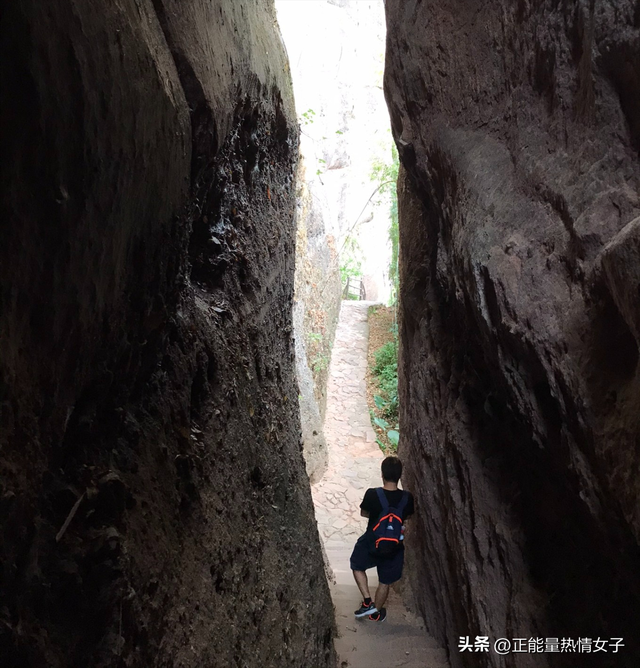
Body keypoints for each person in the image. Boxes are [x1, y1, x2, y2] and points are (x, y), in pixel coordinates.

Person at [350, 455, 415, 622]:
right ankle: (376, 613)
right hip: (394, 547)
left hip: (372, 542)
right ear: (400, 475)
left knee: (356, 564)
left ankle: (366, 601)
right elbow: (406, 518)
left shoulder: (372, 494)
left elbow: (365, 513)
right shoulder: (407, 498)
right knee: (384, 581)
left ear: (382, 474)